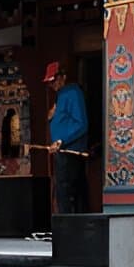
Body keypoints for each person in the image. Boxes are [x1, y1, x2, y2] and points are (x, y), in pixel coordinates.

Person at [44, 61, 89, 214]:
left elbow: (81, 124)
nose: (53, 85)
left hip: (70, 151)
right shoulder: (60, 96)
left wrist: (62, 141)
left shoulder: (72, 93)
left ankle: (71, 227)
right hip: (61, 152)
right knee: (62, 191)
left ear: (63, 77)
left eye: (54, 80)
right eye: (50, 83)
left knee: (69, 191)